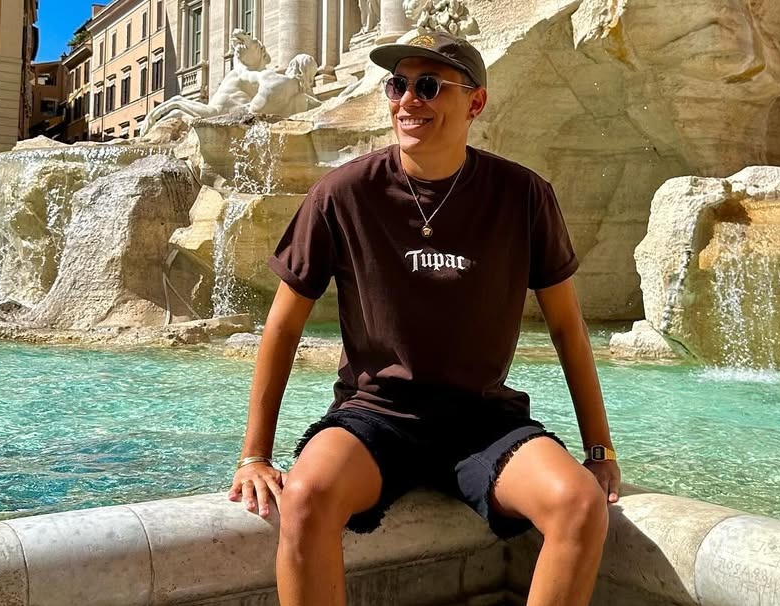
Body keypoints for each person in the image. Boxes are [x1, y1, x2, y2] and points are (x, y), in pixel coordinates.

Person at [228, 31, 620, 606]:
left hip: (484, 421)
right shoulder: (341, 193)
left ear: (475, 102)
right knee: (306, 496)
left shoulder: (524, 195)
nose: (409, 100)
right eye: (398, 85)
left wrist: (599, 450)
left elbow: (566, 327)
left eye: (430, 86)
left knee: (580, 506)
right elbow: (283, 327)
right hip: (375, 416)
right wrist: (255, 455)